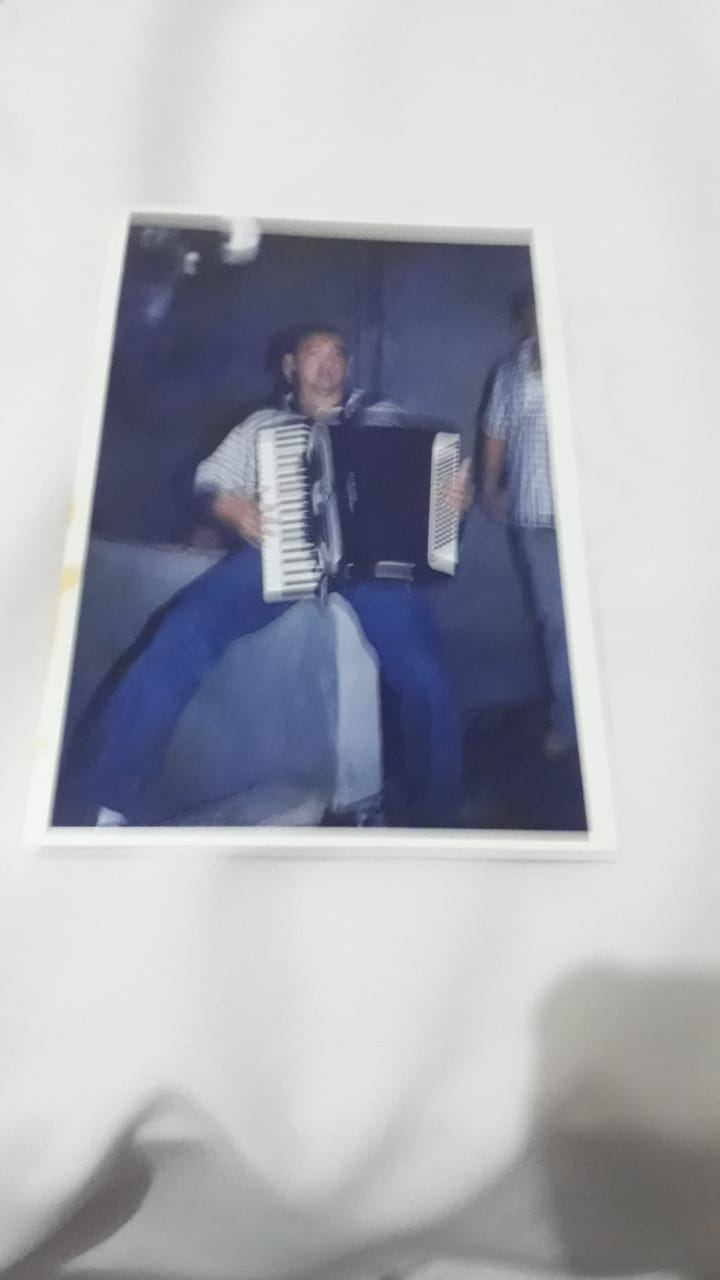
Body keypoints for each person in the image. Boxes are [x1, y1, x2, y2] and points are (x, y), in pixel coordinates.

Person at [57, 325, 472, 829]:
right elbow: (207, 482)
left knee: (423, 671)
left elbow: (427, 495)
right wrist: (226, 507)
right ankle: (108, 799)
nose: (327, 365)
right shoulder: (261, 425)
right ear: (290, 366)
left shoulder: (384, 417)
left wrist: (450, 504)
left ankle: (436, 817)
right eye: (314, 354)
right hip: (279, 553)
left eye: (337, 354)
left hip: (369, 570)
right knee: (183, 630)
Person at [480, 290, 577, 757]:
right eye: (533, 313)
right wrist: (489, 485)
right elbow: (495, 431)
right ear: (524, 319)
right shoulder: (509, 371)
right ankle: (569, 723)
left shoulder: (586, 355)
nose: (542, 319)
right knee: (556, 622)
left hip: (590, 512)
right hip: (535, 514)